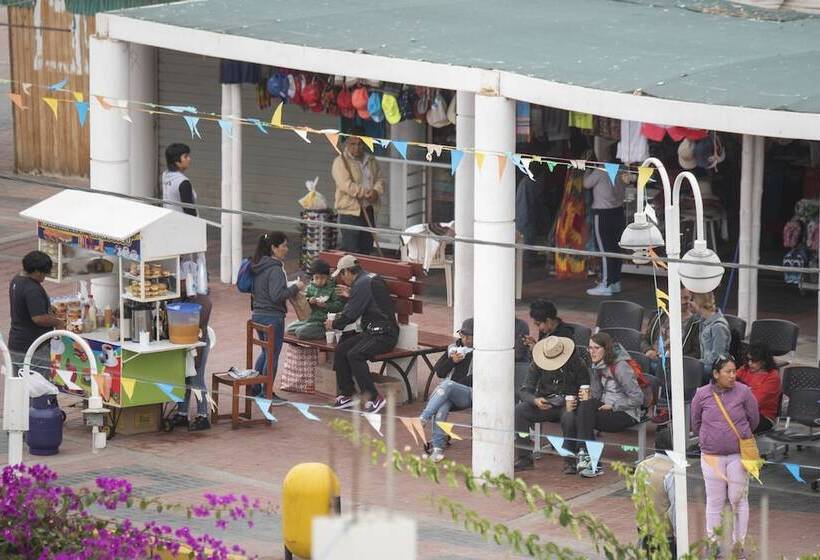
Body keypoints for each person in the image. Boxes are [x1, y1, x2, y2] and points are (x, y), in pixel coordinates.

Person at [691, 356, 759, 558]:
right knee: (715, 501)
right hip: (711, 455)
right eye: (728, 371)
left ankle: (738, 545)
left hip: (738, 454)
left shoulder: (744, 392)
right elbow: (695, 423)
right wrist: (709, 438)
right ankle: (714, 545)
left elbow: (754, 419)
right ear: (715, 374)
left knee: (738, 500)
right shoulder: (702, 394)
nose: (732, 375)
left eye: (734, 371)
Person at [326, 255, 398, 413]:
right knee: (341, 349)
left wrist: (334, 324)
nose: (342, 279)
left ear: (347, 271)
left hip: (384, 334)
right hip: (374, 331)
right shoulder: (366, 279)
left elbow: (350, 314)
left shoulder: (362, 284)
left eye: (341, 275)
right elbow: (367, 301)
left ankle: (374, 398)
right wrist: (352, 294)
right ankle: (347, 394)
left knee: (355, 355)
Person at [514, 335, 590, 472]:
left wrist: (576, 400)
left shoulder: (578, 364)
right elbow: (525, 390)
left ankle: (570, 461)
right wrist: (535, 400)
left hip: (568, 404)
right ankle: (524, 457)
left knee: (569, 417)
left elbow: (585, 390)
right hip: (546, 403)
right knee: (520, 410)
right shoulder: (537, 363)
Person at [574, 332, 644, 477]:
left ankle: (586, 456)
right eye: (590, 348)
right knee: (583, 408)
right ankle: (587, 457)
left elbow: (638, 398)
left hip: (626, 412)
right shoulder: (597, 365)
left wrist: (614, 406)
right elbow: (597, 394)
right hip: (606, 408)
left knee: (584, 415)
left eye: (596, 348)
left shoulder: (620, 367)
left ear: (606, 349)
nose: (592, 352)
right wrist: (588, 396)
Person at [250, 232, 304, 401]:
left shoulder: (259, 266)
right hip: (272, 317)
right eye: (284, 246)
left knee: (266, 353)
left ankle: (255, 387)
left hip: (258, 314)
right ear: (274, 248)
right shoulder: (275, 269)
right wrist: (295, 287)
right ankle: (266, 393)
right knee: (272, 355)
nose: (286, 249)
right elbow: (277, 296)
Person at [419, 318, 475, 463]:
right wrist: (452, 361)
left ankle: (423, 418)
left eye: (470, 336)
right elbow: (439, 372)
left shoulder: (481, 352)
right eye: (463, 335)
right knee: (441, 408)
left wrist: (453, 386)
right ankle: (438, 449)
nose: (466, 340)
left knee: (448, 385)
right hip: (447, 394)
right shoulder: (453, 348)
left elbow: (475, 379)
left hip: (468, 394)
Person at [7, 251, 64, 375]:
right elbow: (38, 318)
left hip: (16, 344)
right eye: (44, 273)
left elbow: (24, 304)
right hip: (33, 348)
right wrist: (58, 322)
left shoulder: (17, 280)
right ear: (37, 271)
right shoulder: (32, 289)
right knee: (38, 383)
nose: (45, 277)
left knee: (19, 382)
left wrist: (45, 307)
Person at [331, 132, 386, 254]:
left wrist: (376, 191)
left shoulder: (371, 160)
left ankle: (364, 266)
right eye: (353, 144)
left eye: (360, 144)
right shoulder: (340, 162)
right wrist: (365, 193)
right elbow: (345, 185)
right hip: (350, 211)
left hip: (369, 208)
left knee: (366, 246)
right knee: (351, 248)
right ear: (347, 144)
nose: (356, 147)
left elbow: (380, 179)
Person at [169, 279, 212, 431]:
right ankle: (182, 413)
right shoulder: (176, 299)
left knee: (196, 377)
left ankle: (203, 415)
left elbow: (201, 329)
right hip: (181, 340)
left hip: (198, 341)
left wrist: (197, 356)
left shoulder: (203, 301)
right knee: (184, 377)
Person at [583, 152, 626, 296]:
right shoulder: (621, 170)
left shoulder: (601, 170)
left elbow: (586, 183)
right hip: (618, 212)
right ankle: (615, 282)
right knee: (615, 250)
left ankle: (606, 284)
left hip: (603, 214)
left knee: (604, 250)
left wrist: (587, 169)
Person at [634, 427, 677, 557]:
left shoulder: (641, 466)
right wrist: (678, 533)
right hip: (665, 536)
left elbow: (636, 497)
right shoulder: (672, 471)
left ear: (654, 445)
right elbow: (674, 509)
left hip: (643, 531)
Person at [641, 288, 700, 380]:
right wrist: (648, 350)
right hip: (653, 358)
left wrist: (677, 358)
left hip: (675, 366)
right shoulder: (660, 315)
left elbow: (697, 353)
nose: (684, 302)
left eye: (686, 298)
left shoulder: (695, 323)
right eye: (680, 298)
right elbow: (644, 339)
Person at [285, 259, 343, 340]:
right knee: (289, 329)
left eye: (322, 278)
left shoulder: (332, 289)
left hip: (322, 322)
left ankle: (325, 332)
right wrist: (309, 300)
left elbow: (339, 306)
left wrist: (325, 305)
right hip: (309, 319)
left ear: (328, 277)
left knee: (300, 332)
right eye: (316, 278)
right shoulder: (310, 287)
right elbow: (304, 300)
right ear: (312, 277)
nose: (319, 281)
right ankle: (308, 329)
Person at [736, 343, 782, 433]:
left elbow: (755, 402)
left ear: (764, 361)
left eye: (753, 361)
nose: (749, 363)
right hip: (740, 411)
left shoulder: (772, 377)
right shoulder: (744, 369)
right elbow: (726, 384)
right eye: (748, 359)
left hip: (763, 416)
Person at [692, 291, 731, 381]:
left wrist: (697, 364)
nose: (691, 303)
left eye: (692, 300)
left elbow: (717, 356)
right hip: (704, 365)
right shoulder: (702, 321)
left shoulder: (718, 327)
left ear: (699, 303)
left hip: (713, 369)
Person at [162, 143, 198, 216]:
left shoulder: (165, 175)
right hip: (183, 221)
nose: (189, 159)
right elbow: (190, 212)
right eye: (185, 157)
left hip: (169, 218)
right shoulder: (183, 182)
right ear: (176, 161)